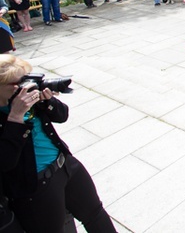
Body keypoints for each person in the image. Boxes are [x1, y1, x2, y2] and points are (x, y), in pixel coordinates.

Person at [0, 55, 117, 232]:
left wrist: (47, 102)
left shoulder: (29, 98)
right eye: (18, 83)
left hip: (66, 166)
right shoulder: (12, 108)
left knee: (96, 214)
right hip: (37, 185)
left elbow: (62, 115)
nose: (26, 87)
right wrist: (16, 117)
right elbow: (5, 162)